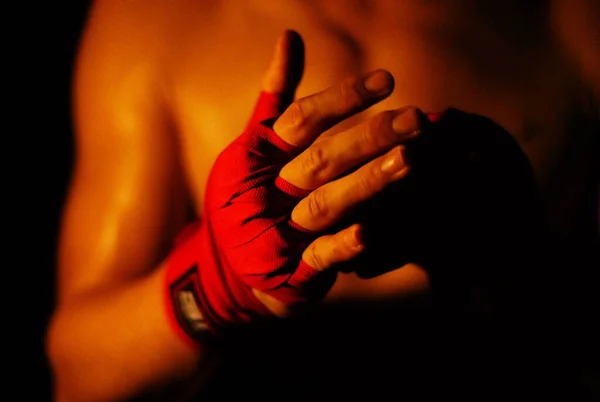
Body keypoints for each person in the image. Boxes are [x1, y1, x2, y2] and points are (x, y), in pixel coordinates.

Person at [46, 1, 599, 401]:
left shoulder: (566, 18)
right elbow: (79, 377)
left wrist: (517, 249)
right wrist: (223, 284)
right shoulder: (154, 19)